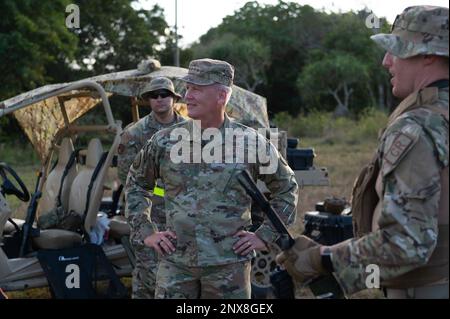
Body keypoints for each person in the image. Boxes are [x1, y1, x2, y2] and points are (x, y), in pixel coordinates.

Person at [276, 5, 449, 299]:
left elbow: (407, 243)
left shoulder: (418, 126)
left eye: (396, 49)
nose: (386, 61)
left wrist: (322, 257)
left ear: (428, 54)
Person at [125, 58, 299, 299]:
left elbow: (286, 188)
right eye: (187, 88)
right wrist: (146, 230)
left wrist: (264, 236)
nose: (188, 96)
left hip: (229, 268)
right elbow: (136, 184)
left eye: (197, 89)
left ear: (221, 96)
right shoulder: (165, 141)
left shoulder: (251, 142)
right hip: (176, 264)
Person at [118, 76, 185, 299]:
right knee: (148, 275)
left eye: (164, 94)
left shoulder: (191, 131)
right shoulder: (134, 134)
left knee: (181, 278)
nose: (159, 99)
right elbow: (128, 179)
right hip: (149, 216)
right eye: (153, 96)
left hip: (183, 216)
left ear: (174, 98)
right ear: (148, 101)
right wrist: (162, 192)